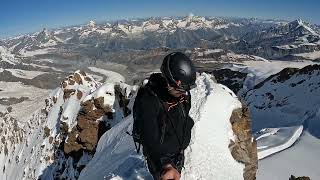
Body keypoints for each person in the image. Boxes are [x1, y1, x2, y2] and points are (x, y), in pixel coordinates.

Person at [132, 52, 196, 180]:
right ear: (168, 81)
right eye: (179, 89)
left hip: (177, 153)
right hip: (161, 162)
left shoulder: (181, 96)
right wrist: (165, 165)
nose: (183, 93)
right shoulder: (148, 100)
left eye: (185, 90)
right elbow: (150, 141)